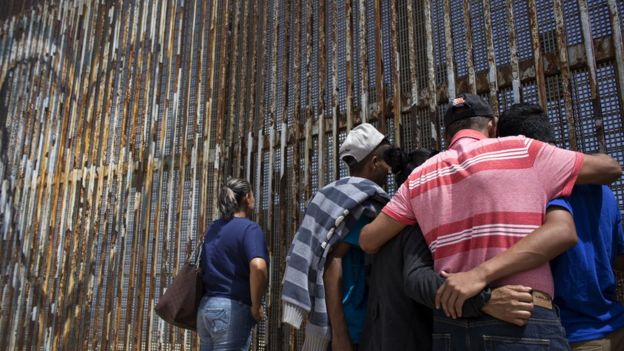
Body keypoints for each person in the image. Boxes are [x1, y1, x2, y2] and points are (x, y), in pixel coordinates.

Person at [359, 93, 622, 350]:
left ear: (447, 135)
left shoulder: (418, 177)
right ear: (492, 125)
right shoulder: (521, 149)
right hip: (522, 316)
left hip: (452, 322)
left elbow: (369, 240)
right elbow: (610, 169)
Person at [498, 103, 624, 350]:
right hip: (614, 324)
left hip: (568, 333)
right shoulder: (603, 191)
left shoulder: (540, 189)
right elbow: (619, 258)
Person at [281, 123, 391, 350]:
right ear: (374, 163)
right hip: (352, 325)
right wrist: (340, 334)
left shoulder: (334, 196)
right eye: (386, 162)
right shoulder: (362, 204)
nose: (389, 169)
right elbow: (333, 262)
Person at [197, 178, 269, 351]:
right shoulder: (249, 229)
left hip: (206, 308)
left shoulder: (213, 228)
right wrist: (256, 305)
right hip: (231, 310)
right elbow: (258, 267)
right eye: (252, 194)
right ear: (246, 197)